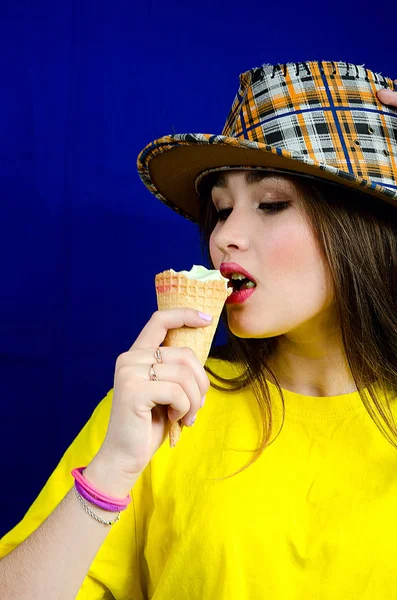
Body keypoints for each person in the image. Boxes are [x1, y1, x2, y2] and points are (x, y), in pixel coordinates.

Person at [1, 60, 397, 599]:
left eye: (272, 203)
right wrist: (115, 468)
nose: (224, 237)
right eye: (221, 209)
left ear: (365, 224)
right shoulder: (165, 403)